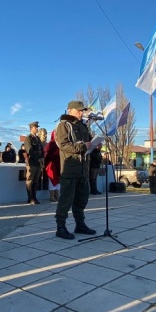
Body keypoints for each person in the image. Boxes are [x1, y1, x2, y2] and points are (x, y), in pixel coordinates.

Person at [54, 100, 96, 239]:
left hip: (83, 169)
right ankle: (60, 227)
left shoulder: (83, 127)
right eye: (78, 110)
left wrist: (95, 144)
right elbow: (64, 145)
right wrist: (83, 146)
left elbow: (88, 143)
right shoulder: (64, 125)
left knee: (81, 199)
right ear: (70, 110)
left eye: (82, 110)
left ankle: (80, 224)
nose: (81, 113)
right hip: (70, 169)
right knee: (66, 199)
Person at [24, 121, 44, 205]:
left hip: (38, 163)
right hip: (31, 162)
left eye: (37, 127)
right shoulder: (28, 138)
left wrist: (42, 157)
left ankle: (34, 197)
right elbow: (30, 150)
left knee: (36, 180)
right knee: (30, 180)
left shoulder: (37, 138)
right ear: (31, 128)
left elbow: (41, 149)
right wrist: (38, 158)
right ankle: (30, 198)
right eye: (36, 127)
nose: (37, 129)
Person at [45, 130, 61, 202]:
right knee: (52, 179)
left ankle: (57, 195)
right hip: (52, 164)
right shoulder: (51, 143)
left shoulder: (60, 143)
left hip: (59, 164)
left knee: (58, 179)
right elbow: (46, 153)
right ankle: (52, 196)